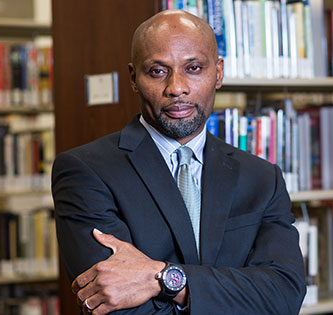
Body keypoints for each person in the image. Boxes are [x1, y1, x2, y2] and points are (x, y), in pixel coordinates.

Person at [52, 9, 306, 315]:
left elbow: (284, 295)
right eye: (158, 71)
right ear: (134, 78)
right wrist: (233, 294)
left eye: (194, 68)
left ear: (219, 73)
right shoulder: (85, 171)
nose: (177, 88)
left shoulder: (262, 178)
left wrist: (163, 278)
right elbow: (116, 307)